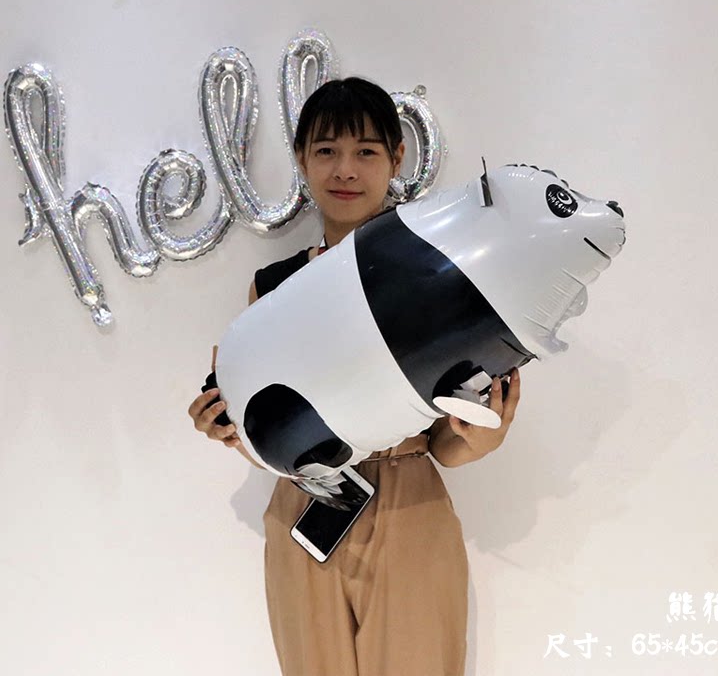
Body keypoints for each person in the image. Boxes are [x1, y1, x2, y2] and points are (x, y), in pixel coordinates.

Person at [188, 77, 522, 676]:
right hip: (304, 510)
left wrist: (482, 437)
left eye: (366, 151)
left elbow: (447, 446)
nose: (345, 169)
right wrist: (231, 430)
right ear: (301, 159)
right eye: (326, 151)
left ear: (396, 158)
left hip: (408, 505)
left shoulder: (434, 276)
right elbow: (274, 446)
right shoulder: (273, 288)